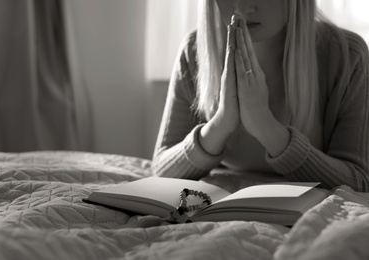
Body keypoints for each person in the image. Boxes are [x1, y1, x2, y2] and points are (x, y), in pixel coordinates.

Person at [152, 0, 369, 192]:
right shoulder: (194, 50)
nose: (244, 7)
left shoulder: (347, 54)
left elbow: (359, 181)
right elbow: (162, 169)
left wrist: (265, 126)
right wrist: (221, 123)